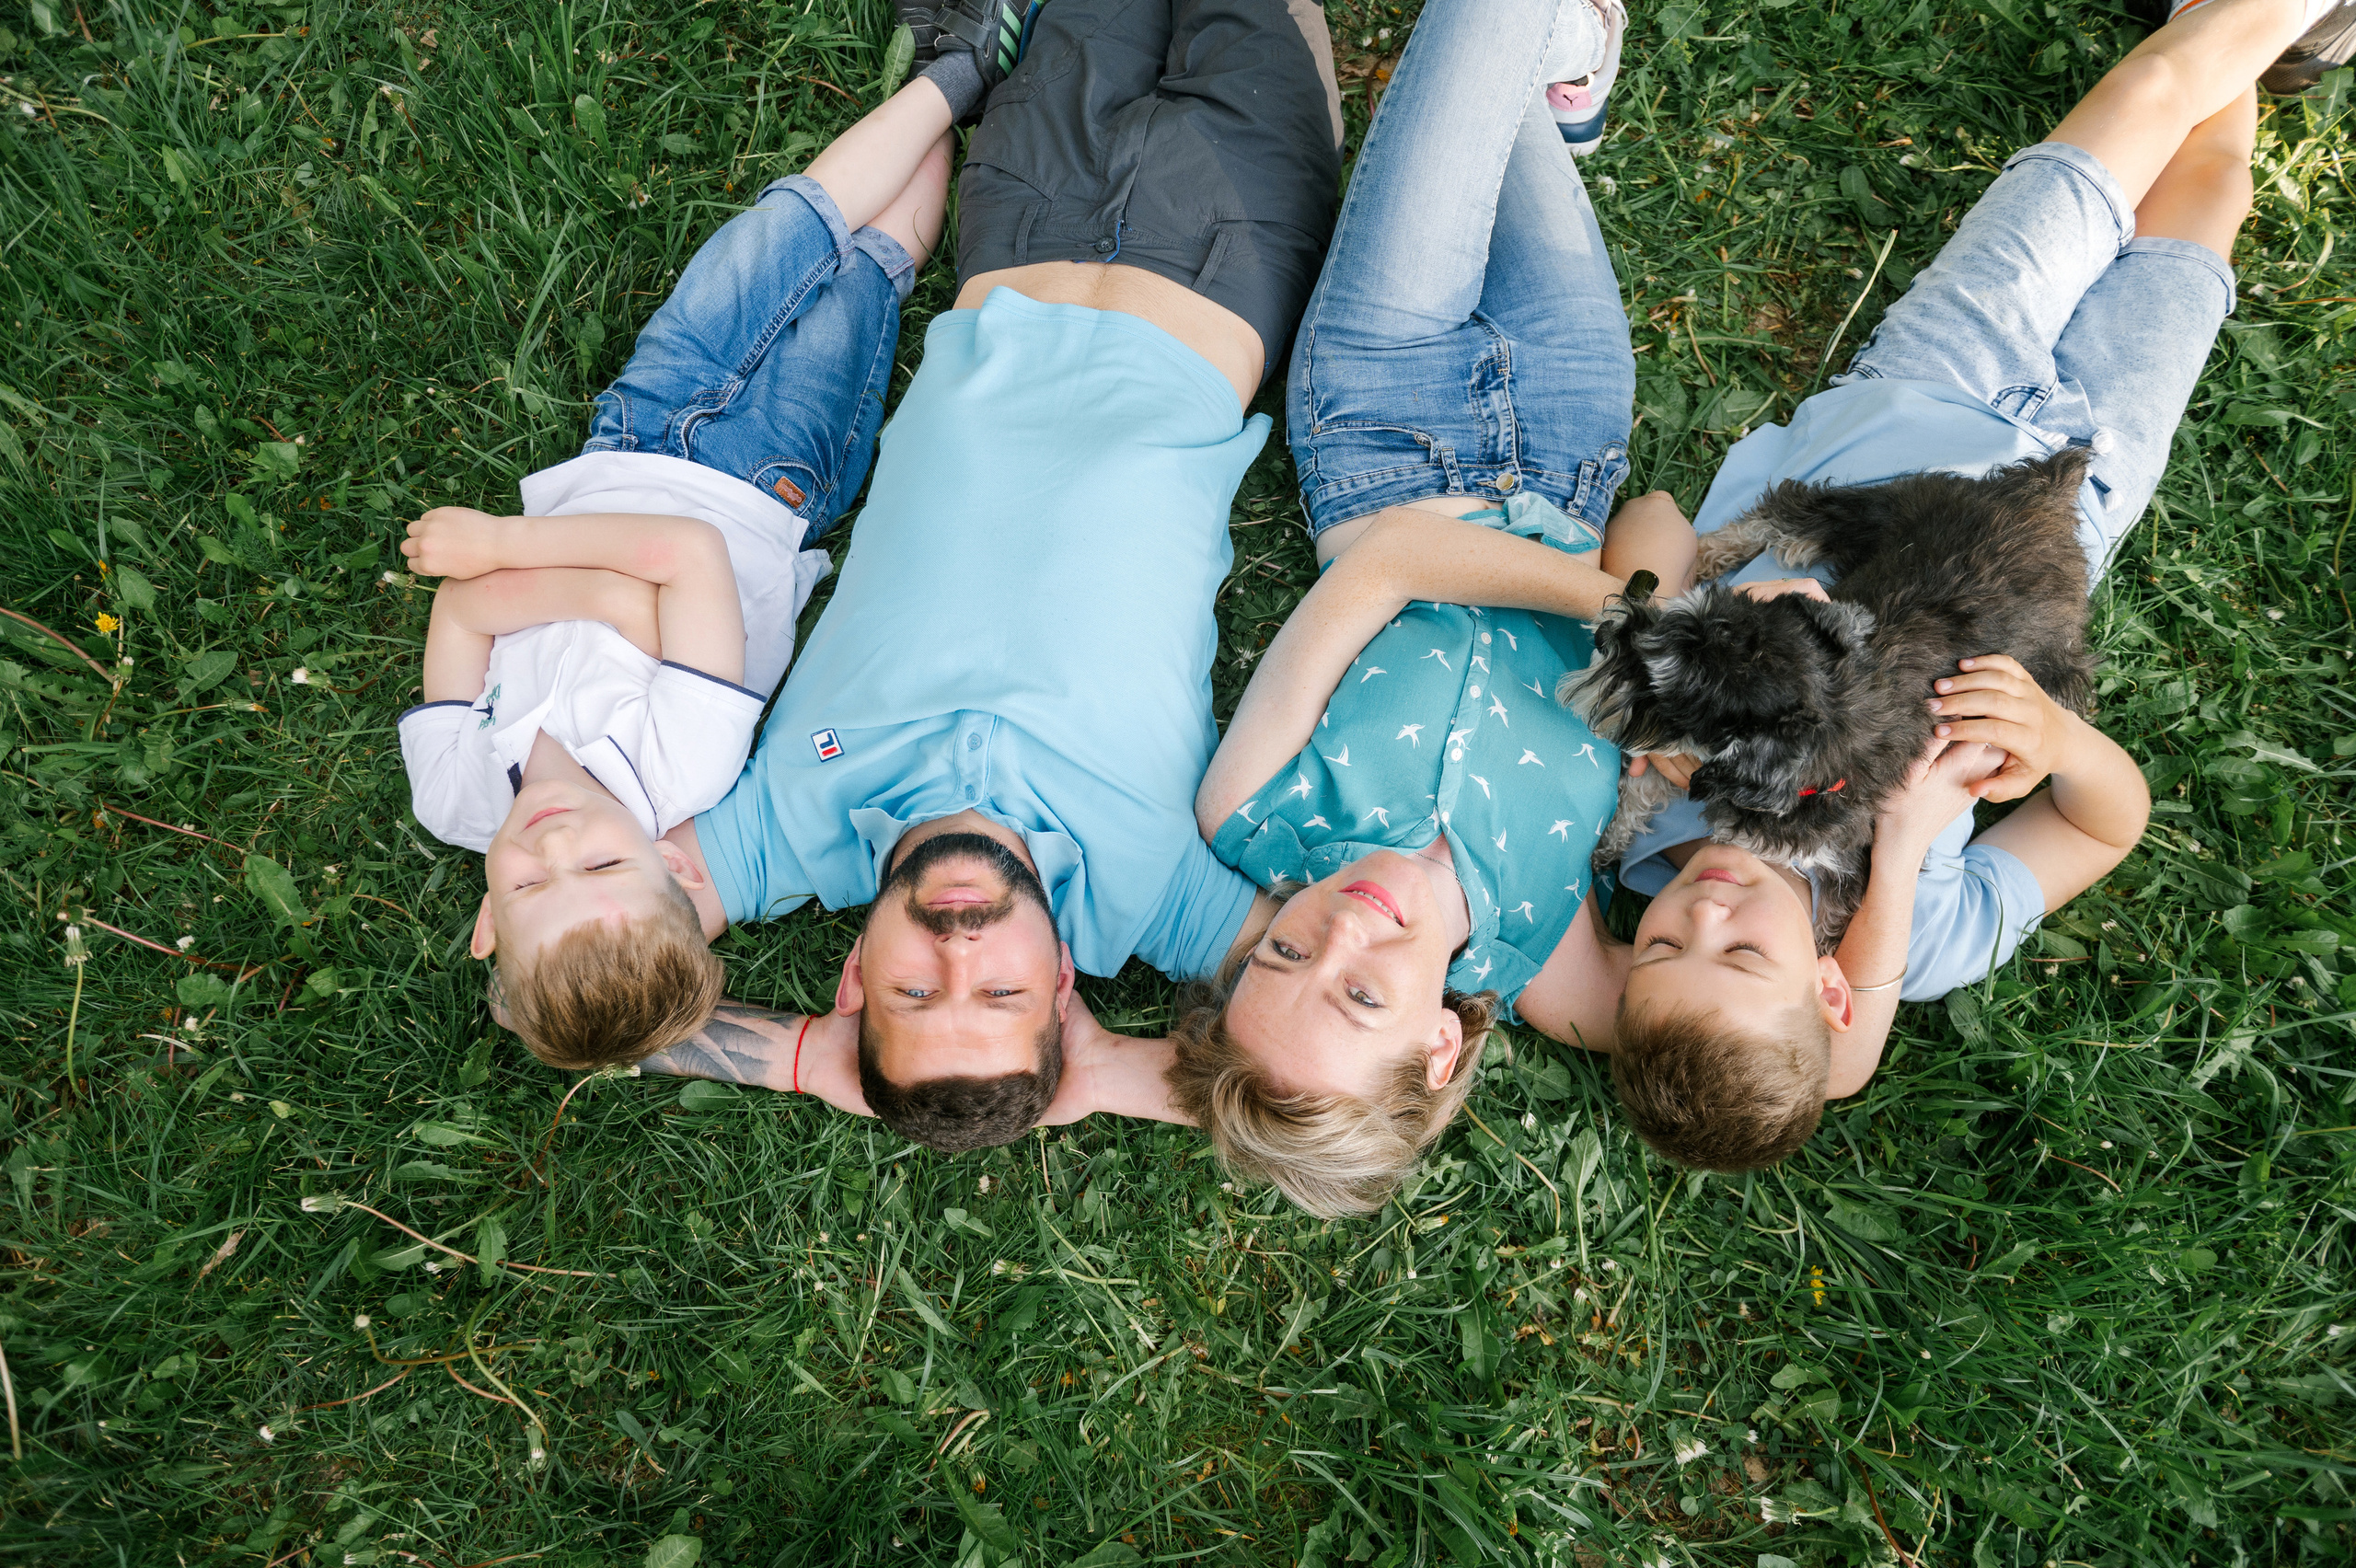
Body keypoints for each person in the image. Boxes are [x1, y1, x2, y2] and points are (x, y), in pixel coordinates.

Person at [1605, 0, 2344, 1170]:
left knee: (2145, 103)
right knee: (2205, 202)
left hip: (1917, 401)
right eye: (1740, 955)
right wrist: (2053, 738)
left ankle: (2252, 20)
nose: (1699, 913)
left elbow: (1648, 531)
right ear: (1830, 991)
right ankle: (2247, 27)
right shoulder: (1929, 940)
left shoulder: (1642, 802)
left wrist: (1697, 623)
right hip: (2071, 498)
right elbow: (2105, 825)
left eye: (1656, 948)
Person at [633, 0, 1348, 1152]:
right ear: (1063, 983)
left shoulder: (782, 833)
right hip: (1229, 245)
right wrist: (1110, 1071)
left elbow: (557, 998)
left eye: (914, 993)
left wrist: (808, 1059)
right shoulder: (1150, 893)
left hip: (1021, 226)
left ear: (854, 981)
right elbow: (1320, 1083)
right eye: (1002, 994)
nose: (959, 953)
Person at [1161, 0, 1701, 1218]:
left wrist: (1622, 620)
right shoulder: (1548, 955)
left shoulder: (1253, 810)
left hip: (1383, 411)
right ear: (1440, 1046)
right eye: (1361, 996)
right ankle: (1556, 77)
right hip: (1571, 436)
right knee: (1493, 70)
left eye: (1283, 954)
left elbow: (1392, 564)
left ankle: (1546, 65)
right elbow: (1751, 1044)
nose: (1340, 932)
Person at [395, 89, 940, 1069]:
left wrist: (624, 605)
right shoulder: (683, 767)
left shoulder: (451, 794)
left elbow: (464, 608)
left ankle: (950, 76)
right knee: (866, 268)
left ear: (487, 925)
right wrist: (519, 551)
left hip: (631, 434)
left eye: (528, 887)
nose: (553, 845)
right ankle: (967, 99)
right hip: (774, 477)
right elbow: (684, 555)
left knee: (781, 233)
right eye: (603, 863)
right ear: (673, 865)